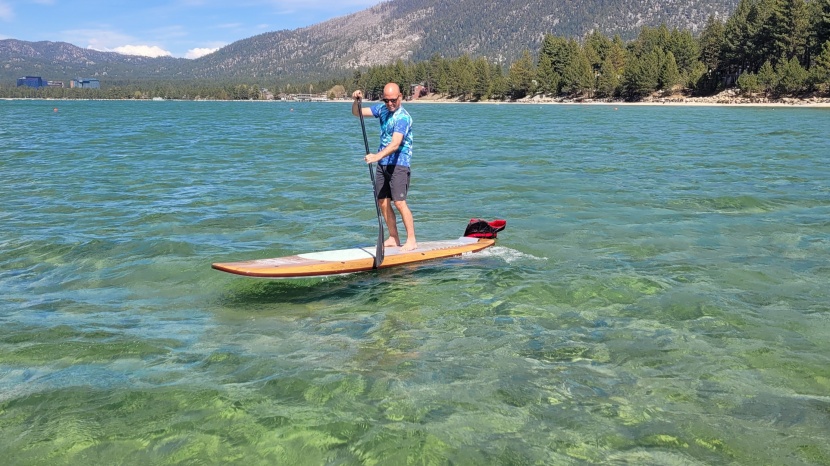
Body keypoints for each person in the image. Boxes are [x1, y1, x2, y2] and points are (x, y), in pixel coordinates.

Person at [352, 83, 417, 251]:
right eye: (386, 100)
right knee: (382, 201)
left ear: (400, 97)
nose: (389, 104)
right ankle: (394, 237)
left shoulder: (403, 118)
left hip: (399, 163)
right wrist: (356, 101)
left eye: (393, 100)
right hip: (383, 164)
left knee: (399, 202)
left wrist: (376, 156)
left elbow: (395, 144)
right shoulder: (382, 110)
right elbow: (357, 113)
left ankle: (411, 240)